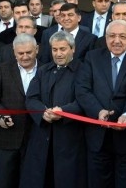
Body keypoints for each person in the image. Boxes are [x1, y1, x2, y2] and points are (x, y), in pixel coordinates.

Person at [76, 20, 126, 188]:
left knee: (125, 181)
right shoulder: (92, 57)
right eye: (112, 36)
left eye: (122, 36)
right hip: (97, 134)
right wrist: (98, 111)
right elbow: (82, 89)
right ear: (105, 38)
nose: (116, 41)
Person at [20, 31, 86, 188]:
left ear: (73, 49)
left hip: (69, 138)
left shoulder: (83, 70)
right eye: (54, 49)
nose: (58, 53)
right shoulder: (43, 70)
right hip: (42, 136)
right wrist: (43, 112)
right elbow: (31, 98)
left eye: (63, 49)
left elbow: (84, 101)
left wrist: (63, 111)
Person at [0, 33, 39, 188]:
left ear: (37, 50)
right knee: (3, 182)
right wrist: (0, 115)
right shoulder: (2, 70)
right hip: (5, 138)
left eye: (29, 52)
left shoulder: (46, 70)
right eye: (20, 53)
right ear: (14, 52)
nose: (25, 56)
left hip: (36, 138)